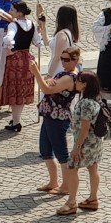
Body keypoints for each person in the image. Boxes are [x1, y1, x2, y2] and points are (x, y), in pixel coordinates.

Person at [29, 47, 78, 205]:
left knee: (61, 152)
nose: (63, 62)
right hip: (49, 115)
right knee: (45, 150)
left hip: (58, 118)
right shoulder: (63, 73)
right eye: (62, 59)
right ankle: (53, 182)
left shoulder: (71, 77)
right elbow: (50, 85)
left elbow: (47, 88)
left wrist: (36, 72)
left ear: (75, 60)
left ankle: (66, 185)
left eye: (67, 59)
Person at [0, 2, 45, 132]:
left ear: (19, 13)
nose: (10, 10)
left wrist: (9, 46)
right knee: (22, 89)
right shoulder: (32, 25)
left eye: (12, 9)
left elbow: (9, 39)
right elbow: (37, 42)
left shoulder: (13, 24)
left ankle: (17, 122)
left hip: (15, 60)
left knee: (15, 90)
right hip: (27, 59)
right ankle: (15, 118)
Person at [65, 72, 106, 214]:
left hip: (85, 143)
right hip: (95, 142)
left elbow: (84, 128)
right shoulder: (96, 100)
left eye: (79, 81)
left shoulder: (85, 103)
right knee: (93, 168)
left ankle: (71, 202)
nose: (76, 82)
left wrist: (76, 148)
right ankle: (93, 199)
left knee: (72, 169)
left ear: (85, 85)